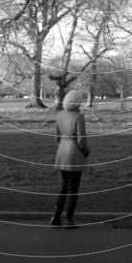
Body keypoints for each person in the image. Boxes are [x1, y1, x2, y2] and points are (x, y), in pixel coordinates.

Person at [50, 89, 89, 228]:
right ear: (77, 102)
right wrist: (86, 151)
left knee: (64, 186)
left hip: (62, 153)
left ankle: (56, 216)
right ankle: (69, 219)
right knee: (73, 188)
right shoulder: (79, 117)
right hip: (74, 154)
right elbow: (82, 140)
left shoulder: (60, 115)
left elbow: (56, 137)